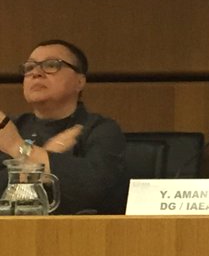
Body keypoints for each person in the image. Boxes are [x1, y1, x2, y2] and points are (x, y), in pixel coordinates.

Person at [0, 39, 126, 213]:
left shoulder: (102, 129)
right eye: (29, 67)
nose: (36, 73)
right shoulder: (14, 126)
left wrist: (18, 147)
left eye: (51, 65)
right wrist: (43, 160)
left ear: (80, 81)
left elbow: (93, 187)